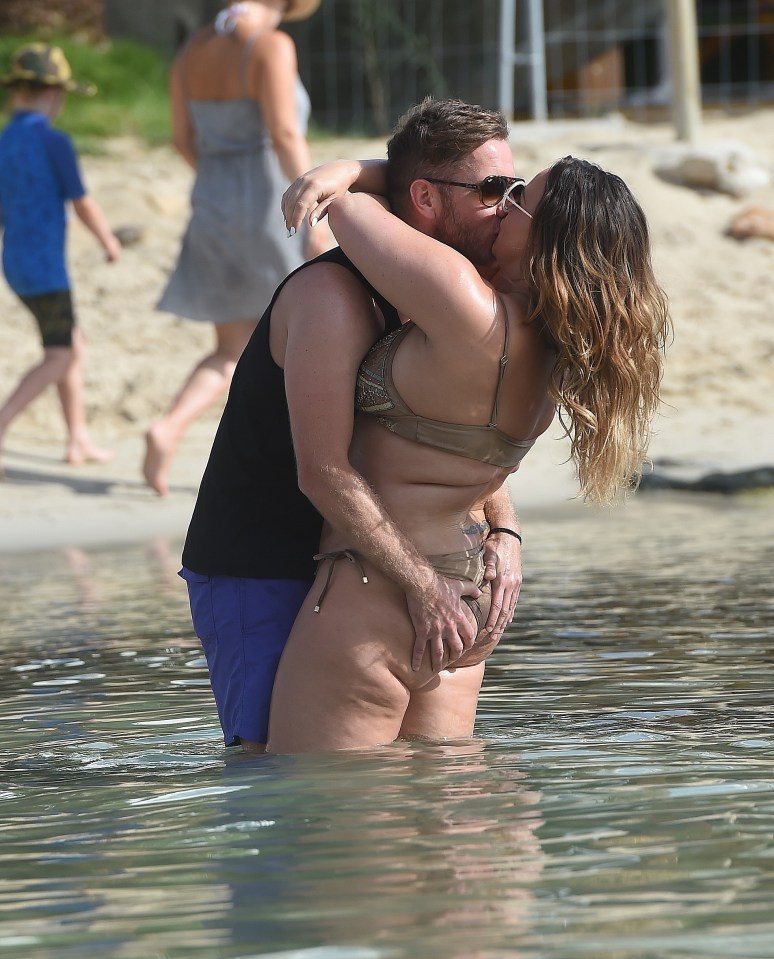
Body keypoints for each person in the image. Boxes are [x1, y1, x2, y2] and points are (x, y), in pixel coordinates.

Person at [267, 149, 671, 753]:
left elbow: (347, 210)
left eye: (518, 201)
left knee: (333, 826)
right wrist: (502, 537)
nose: (501, 208)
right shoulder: (559, 354)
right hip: (468, 608)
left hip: (376, 597)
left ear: (546, 240)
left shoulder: (462, 302)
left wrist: (348, 169)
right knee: (454, 830)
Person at [180, 98, 525, 753]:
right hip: (263, 564)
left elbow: (444, 438)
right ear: (424, 197)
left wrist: (503, 526)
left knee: (410, 792)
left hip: (353, 553)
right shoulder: (332, 300)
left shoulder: (438, 292)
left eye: (512, 188)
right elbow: (323, 470)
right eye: (490, 190)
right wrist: (424, 585)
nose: (506, 206)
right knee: (271, 786)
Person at [145, 0, 332, 496]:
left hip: (212, 200)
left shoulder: (191, 49)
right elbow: (285, 131)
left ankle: (170, 426)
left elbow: (182, 139)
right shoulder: (270, 44)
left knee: (229, 348)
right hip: (271, 201)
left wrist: (221, 181)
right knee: (294, 342)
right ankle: (290, 467)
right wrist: (313, 201)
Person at [0, 43, 120, 477]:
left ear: (17, 92)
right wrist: (108, 239)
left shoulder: (5, 141)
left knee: (72, 345)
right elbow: (82, 202)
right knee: (60, 355)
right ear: (54, 95)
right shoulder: (54, 141)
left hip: (15, 264)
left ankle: (78, 438)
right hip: (47, 269)